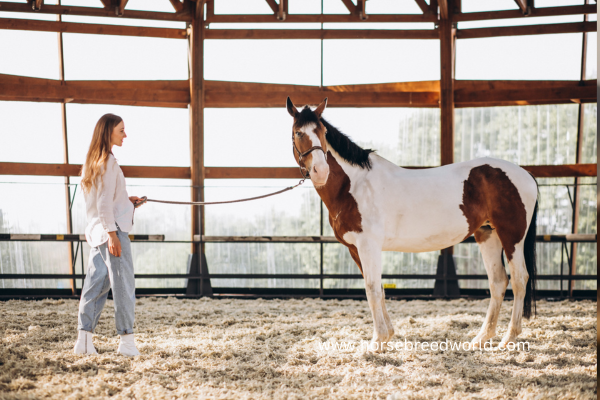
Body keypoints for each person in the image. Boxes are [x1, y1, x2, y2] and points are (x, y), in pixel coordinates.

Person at [73, 113, 145, 356]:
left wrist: (128, 200)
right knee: (123, 285)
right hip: (111, 232)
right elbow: (105, 205)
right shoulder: (109, 163)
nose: (125, 135)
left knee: (96, 283)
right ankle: (126, 342)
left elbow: (105, 200)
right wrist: (113, 235)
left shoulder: (94, 161)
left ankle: (83, 341)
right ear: (109, 133)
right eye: (121, 130)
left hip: (98, 232)